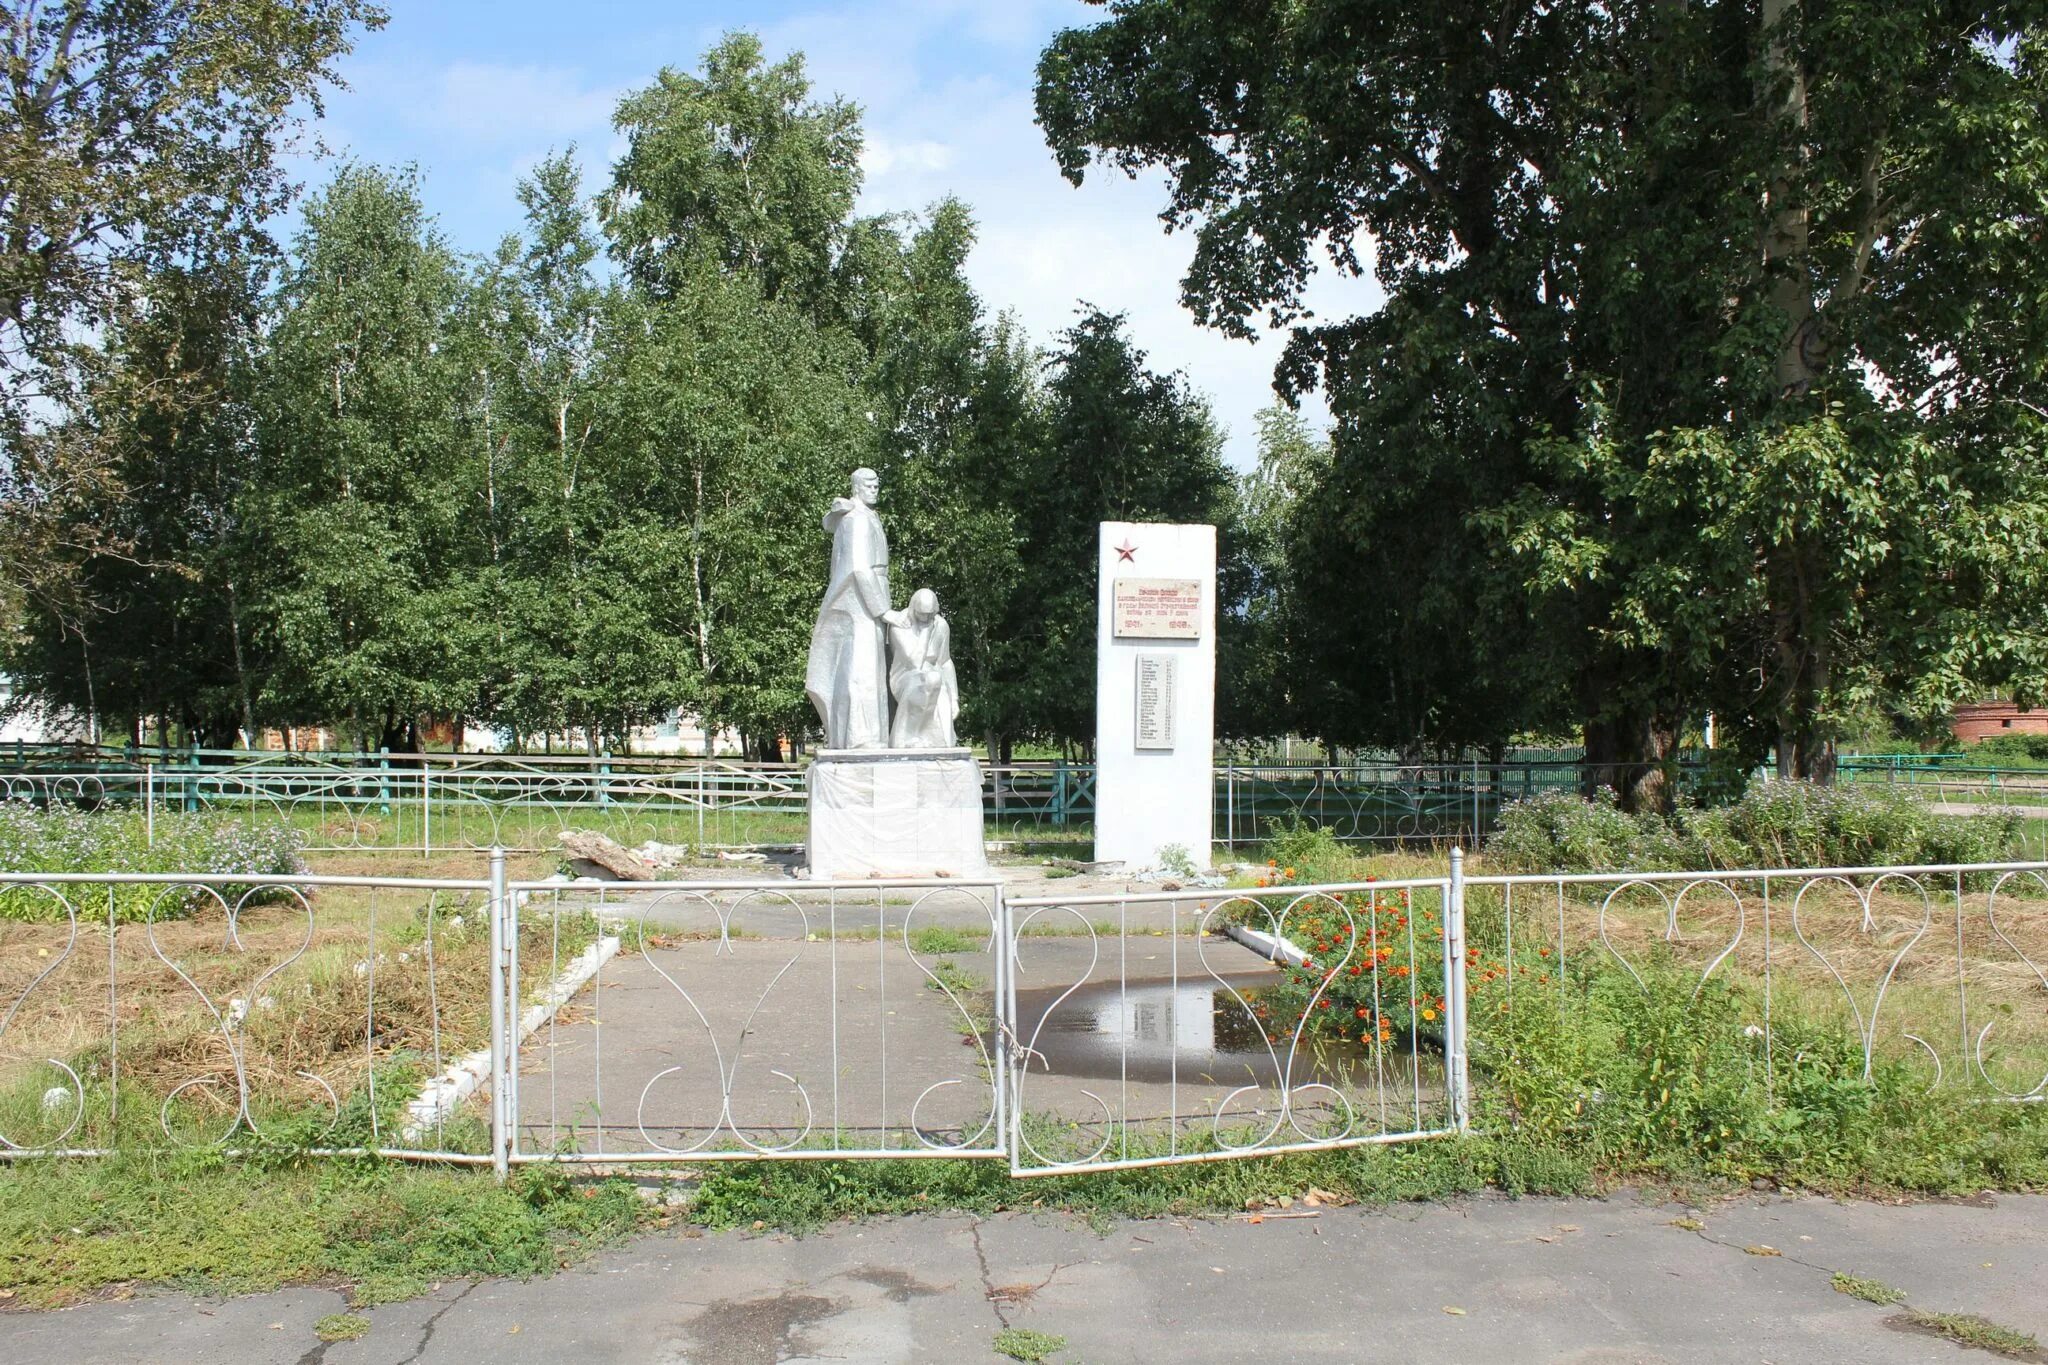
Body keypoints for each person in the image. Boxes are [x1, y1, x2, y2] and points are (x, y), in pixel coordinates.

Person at [804, 469, 891, 749]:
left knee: (870, 667)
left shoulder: (864, 517)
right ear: (856, 487)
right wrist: (883, 611)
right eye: (869, 484)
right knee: (861, 668)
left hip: (869, 596)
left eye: (877, 484)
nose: (875, 488)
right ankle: (859, 739)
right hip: (861, 602)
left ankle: (869, 737)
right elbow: (858, 569)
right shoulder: (855, 520)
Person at [883, 589, 959, 748]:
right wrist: (926, 632)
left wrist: (955, 699)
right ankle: (907, 739)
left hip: (934, 674)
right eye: (922, 614)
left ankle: (942, 743)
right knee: (929, 681)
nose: (926, 618)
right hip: (905, 676)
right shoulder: (900, 623)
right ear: (913, 608)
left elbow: (945, 661)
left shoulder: (941, 625)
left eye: (931, 614)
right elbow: (914, 662)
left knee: (939, 688)